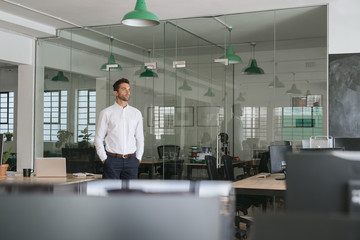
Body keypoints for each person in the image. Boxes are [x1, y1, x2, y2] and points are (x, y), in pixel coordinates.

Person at [95, 78, 144, 179]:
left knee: (131, 194)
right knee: (111, 194)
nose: (127, 92)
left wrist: (138, 158)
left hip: (131, 161)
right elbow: (98, 139)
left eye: (128, 89)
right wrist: (104, 159)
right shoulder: (106, 113)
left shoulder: (136, 113)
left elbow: (140, 138)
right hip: (112, 161)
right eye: (124, 89)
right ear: (116, 92)